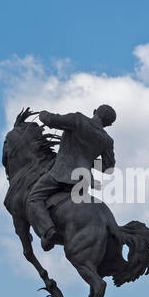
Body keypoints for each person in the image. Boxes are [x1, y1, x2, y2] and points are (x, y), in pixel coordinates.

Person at [25, 105, 117, 251]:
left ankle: (48, 232)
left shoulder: (78, 120)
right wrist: (89, 161)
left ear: (94, 112)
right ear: (109, 124)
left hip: (61, 174)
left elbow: (51, 120)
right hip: (83, 181)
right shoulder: (107, 140)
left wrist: (42, 114)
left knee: (34, 198)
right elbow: (108, 167)